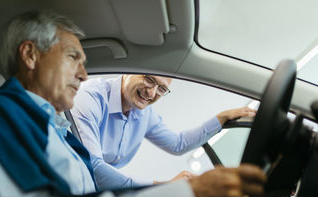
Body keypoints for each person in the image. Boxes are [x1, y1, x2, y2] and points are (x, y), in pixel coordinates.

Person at [0, 10, 285, 197]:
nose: (84, 73)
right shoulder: (0, 115)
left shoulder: (54, 133)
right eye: (74, 56)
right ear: (30, 55)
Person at [71, 75, 256, 190]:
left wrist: (221, 118)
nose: (151, 93)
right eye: (149, 80)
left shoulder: (144, 113)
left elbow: (178, 144)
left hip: (100, 195)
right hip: (72, 188)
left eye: (161, 89)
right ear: (130, 69)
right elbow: (93, 166)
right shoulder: (89, 97)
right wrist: (162, 187)